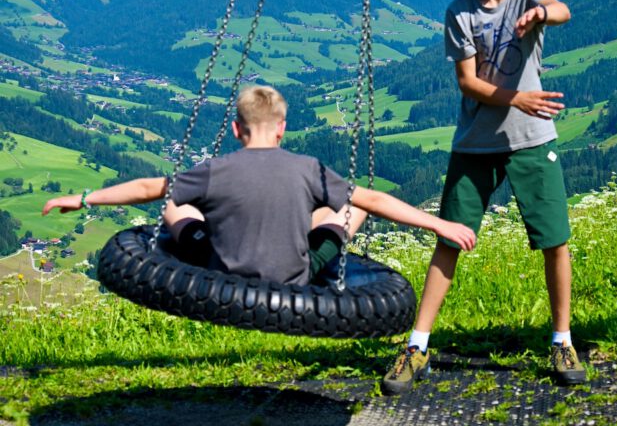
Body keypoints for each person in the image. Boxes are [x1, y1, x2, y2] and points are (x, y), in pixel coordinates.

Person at [382, 0, 585, 395]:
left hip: (532, 139)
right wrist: (518, 98)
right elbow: (469, 82)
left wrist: (541, 15)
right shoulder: (460, 11)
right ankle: (417, 346)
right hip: (475, 143)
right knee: (449, 239)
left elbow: (562, 10)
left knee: (554, 239)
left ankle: (562, 340)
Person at [42, 84, 476, 285]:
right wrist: (440, 225)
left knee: (175, 203)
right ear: (282, 128)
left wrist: (81, 199)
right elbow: (377, 199)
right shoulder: (307, 168)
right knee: (351, 205)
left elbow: (144, 188)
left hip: (218, 270)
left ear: (236, 129)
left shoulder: (215, 168)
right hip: (294, 276)